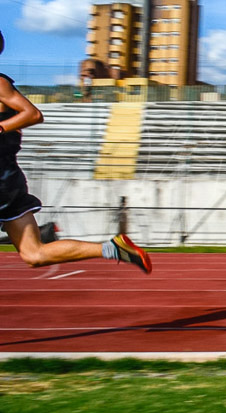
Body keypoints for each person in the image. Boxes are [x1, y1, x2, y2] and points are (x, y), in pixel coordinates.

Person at [0, 29, 152, 274]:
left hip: (3, 181)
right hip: (8, 179)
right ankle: (113, 248)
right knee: (34, 253)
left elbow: (33, 114)